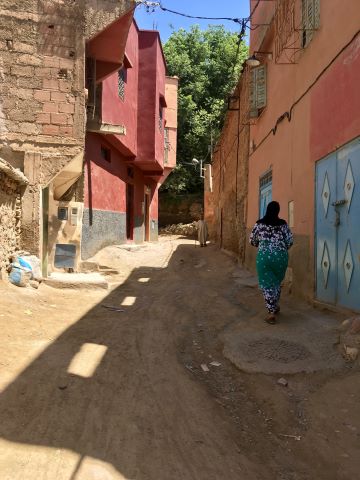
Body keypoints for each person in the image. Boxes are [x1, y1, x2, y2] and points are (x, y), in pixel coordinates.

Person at [249, 201, 293, 324]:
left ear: (267, 210)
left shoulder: (259, 224)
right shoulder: (283, 224)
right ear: (278, 211)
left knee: (267, 284)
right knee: (277, 281)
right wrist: (280, 249)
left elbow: (252, 241)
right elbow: (290, 241)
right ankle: (275, 305)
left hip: (264, 258)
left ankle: (271, 312)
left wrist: (262, 245)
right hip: (281, 257)